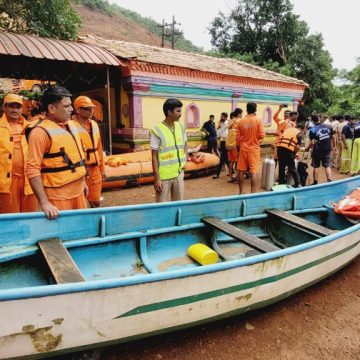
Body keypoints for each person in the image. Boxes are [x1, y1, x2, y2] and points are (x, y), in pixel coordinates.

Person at [25, 86, 88, 220]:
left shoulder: (71, 125)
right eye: (67, 106)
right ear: (52, 108)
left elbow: (76, 158)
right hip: (57, 197)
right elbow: (32, 169)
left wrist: (83, 183)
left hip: (78, 192)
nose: (71, 109)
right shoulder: (39, 133)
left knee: (81, 230)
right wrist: (44, 203)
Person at [0, 94, 37, 213]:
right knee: (10, 217)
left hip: (29, 180)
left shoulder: (31, 127)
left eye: (18, 107)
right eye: (11, 106)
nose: (15, 110)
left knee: (30, 217)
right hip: (6, 182)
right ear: (4, 107)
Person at [150, 98, 188, 202]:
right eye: (178, 111)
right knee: (161, 207)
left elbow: (185, 144)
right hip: (164, 177)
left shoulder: (181, 126)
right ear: (169, 112)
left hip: (179, 174)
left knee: (178, 204)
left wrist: (185, 159)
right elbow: (154, 156)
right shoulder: (156, 131)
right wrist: (157, 179)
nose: (180, 114)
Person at [72, 96, 105, 208]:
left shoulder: (94, 125)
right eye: (87, 108)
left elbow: (99, 148)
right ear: (77, 110)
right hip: (80, 169)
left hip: (95, 168)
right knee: (80, 202)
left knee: (96, 201)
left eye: (91, 108)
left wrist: (102, 168)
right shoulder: (70, 127)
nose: (91, 111)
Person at [237, 102, 265, 194]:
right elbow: (261, 135)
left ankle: (241, 192)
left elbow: (238, 138)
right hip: (254, 149)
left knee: (241, 170)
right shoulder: (258, 120)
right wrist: (257, 141)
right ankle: (252, 194)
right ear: (255, 109)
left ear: (246, 109)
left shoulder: (241, 121)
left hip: (243, 148)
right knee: (253, 171)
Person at [306, 114, 335, 185]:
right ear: (319, 118)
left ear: (312, 121)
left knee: (316, 166)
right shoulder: (328, 126)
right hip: (327, 149)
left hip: (317, 150)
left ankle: (315, 182)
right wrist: (334, 146)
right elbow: (333, 136)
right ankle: (329, 180)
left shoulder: (312, 130)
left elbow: (312, 142)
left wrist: (307, 148)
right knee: (327, 165)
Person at [276, 124, 304, 188]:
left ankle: (281, 183)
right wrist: (294, 153)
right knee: (292, 167)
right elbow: (297, 147)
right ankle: (298, 184)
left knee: (281, 167)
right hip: (288, 151)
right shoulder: (298, 133)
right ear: (300, 129)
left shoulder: (287, 130)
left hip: (280, 149)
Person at [226, 108, 242, 183]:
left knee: (231, 161)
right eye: (241, 113)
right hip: (236, 144)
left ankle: (230, 177)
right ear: (238, 114)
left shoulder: (231, 121)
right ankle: (237, 177)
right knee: (238, 161)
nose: (241, 115)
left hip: (229, 144)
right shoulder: (239, 121)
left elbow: (228, 127)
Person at [213, 112, 229, 179]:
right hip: (222, 142)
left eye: (222, 116)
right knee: (226, 158)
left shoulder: (228, 124)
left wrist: (220, 133)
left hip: (226, 142)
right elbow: (218, 134)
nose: (221, 117)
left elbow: (224, 135)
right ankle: (232, 172)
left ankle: (217, 173)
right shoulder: (221, 124)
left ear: (225, 117)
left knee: (223, 158)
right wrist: (219, 127)